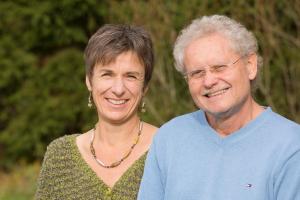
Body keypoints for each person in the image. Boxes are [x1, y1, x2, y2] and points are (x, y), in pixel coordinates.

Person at [138, 15, 300, 200]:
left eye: (219, 67)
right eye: (197, 73)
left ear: (250, 66)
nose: (209, 81)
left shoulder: (291, 145)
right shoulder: (169, 139)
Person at [35, 24, 157, 199]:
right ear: (89, 81)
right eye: (107, 74)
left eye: (130, 76)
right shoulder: (60, 157)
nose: (118, 89)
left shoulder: (167, 149)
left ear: (144, 86)